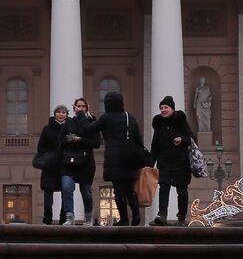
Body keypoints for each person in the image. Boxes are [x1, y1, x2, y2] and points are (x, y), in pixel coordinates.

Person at [83, 91, 146, 226]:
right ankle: (136, 214)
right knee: (130, 189)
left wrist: (86, 118)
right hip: (130, 160)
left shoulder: (106, 118)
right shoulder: (130, 117)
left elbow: (89, 129)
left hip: (114, 159)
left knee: (118, 190)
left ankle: (124, 219)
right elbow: (139, 140)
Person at [149, 96, 196, 226]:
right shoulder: (159, 126)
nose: (163, 110)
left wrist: (182, 140)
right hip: (164, 163)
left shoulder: (180, 122)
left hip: (181, 163)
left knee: (182, 191)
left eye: (166, 107)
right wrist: (150, 164)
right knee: (164, 188)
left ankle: (181, 217)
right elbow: (154, 147)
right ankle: (162, 215)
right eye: (161, 108)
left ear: (172, 109)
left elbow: (192, 139)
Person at [61, 97, 101, 225]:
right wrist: (68, 140)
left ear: (87, 108)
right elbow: (60, 141)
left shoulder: (92, 122)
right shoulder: (68, 122)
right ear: (73, 108)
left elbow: (96, 143)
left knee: (86, 193)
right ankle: (69, 216)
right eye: (78, 106)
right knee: (67, 187)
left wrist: (81, 140)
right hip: (69, 162)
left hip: (86, 163)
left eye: (83, 106)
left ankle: (88, 216)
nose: (80, 108)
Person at [35, 105, 68, 224]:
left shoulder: (69, 128)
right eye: (59, 112)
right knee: (48, 192)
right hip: (50, 166)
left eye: (63, 112)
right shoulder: (47, 129)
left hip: (64, 165)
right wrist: (49, 156)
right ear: (55, 114)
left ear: (67, 115)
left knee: (66, 191)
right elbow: (40, 147)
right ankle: (47, 216)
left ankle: (63, 218)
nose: (61, 114)